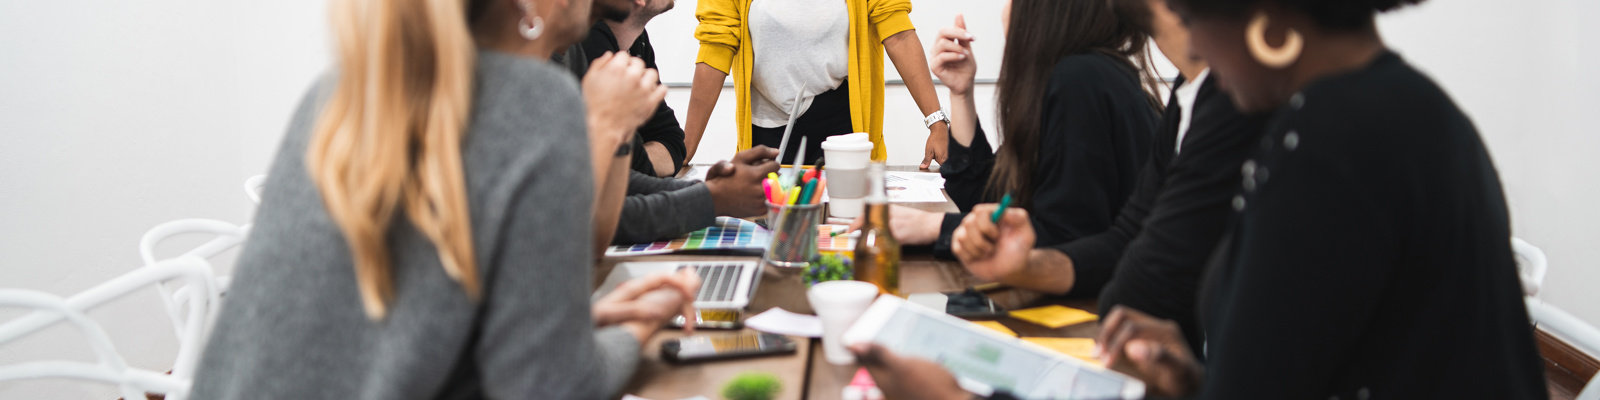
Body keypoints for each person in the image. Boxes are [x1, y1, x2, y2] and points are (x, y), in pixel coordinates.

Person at [858, 0, 1551, 398]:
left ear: (1267, 24)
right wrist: (1191, 377)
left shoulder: (1334, 143)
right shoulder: (1374, 109)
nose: (1191, 50)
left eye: (1190, 17)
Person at [190, 0, 700, 398]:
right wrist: (638, 325)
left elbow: (397, 325)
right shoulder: (537, 102)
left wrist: (577, 325)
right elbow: (549, 387)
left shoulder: (338, 91)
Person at [949, 0, 1269, 354]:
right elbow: (1127, 240)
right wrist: (1026, 266)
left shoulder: (1236, 100)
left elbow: (1153, 271)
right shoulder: (1189, 92)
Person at [882, 0, 1164, 271]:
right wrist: (960, 93)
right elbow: (990, 198)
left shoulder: (1079, 81)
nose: (1006, 8)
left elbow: (1061, 243)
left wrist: (934, 227)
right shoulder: (1079, 75)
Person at [556, 0, 780, 244]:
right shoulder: (572, 56)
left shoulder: (583, 50)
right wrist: (713, 197)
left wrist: (709, 190)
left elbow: (669, 145)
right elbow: (595, 215)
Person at [687, 0, 950, 168]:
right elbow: (715, 48)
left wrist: (936, 122)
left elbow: (900, 35)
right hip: (766, 130)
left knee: (843, 233)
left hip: (842, 123)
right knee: (773, 235)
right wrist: (684, 148)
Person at [580, 0, 684, 177]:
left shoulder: (637, 41)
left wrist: (634, 162)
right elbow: (613, 167)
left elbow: (672, 141)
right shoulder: (589, 43)